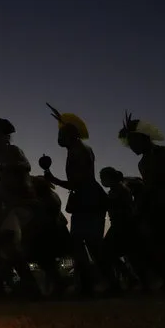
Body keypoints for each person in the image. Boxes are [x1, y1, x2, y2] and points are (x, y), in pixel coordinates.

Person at [44, 105, 115, 297]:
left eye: (62, 134)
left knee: (88, 244)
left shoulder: (78, 151)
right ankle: (93, 283)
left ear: (70, 135)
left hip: (88, 198)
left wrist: (54, 181)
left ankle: (102, 283)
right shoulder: (79, 149)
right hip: (87, 198)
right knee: (86, 244)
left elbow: (78, 181)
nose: (59, 138)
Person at [0, 114, 41, 298]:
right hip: (10, 209)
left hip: (25, 206)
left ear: (2, 137)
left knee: (8, 239)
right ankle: (1, 288)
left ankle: (31, 287)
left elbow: (25, 166)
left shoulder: (12, 151)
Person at [118, 112, 165, 289]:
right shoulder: (142, 163)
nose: (131, 147)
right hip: (154, 207)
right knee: (152, 244)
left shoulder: (164, 153)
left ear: (144, 139)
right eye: (130, 144)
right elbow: (149, 186)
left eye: (133, 142)